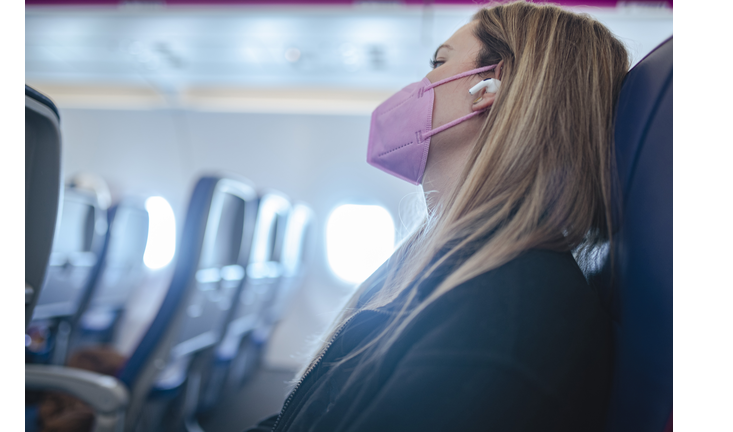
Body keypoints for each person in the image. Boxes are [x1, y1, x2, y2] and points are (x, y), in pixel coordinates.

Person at [246, 1, 629, 431]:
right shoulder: (441, 264)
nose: (419, 85)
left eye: (439, 62)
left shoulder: (503, 320)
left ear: (487, 87)